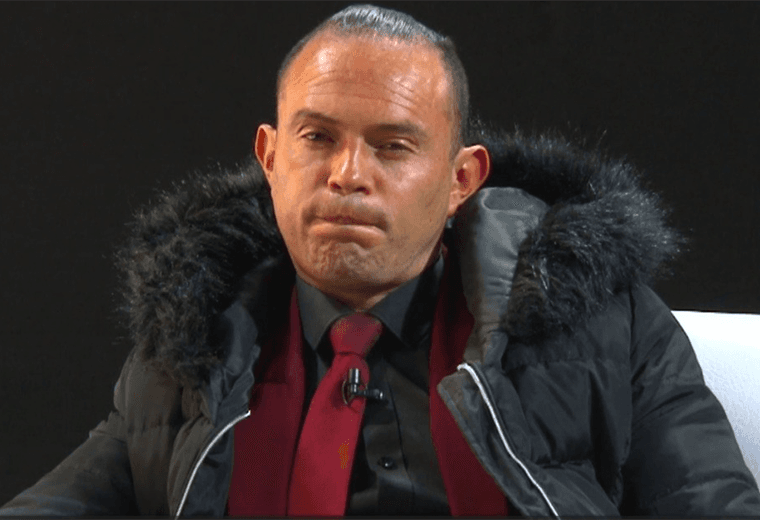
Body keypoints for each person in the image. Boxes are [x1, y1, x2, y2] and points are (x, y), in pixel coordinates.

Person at [2, 4, 759, 517]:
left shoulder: (605, 324)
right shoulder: (191, 345)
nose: (348, 175)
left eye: (393, 146)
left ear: (461, 179)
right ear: (271, 158)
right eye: (317, 138)